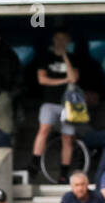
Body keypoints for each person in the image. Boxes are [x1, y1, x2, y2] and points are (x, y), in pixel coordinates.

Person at [31, 30, 79, 172]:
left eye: (64, 39)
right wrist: (64, 80)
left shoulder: (72, 58)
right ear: (53, 39)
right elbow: (42, 79)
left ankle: (64, 170)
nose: (60, 42)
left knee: (67, 137)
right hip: (50, 101)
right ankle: (35, 162)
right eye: (58, 38)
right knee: (44, 129)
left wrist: (64, 56)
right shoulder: (45, 57)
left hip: (68, 104)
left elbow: (74, 78)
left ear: (68, 41)